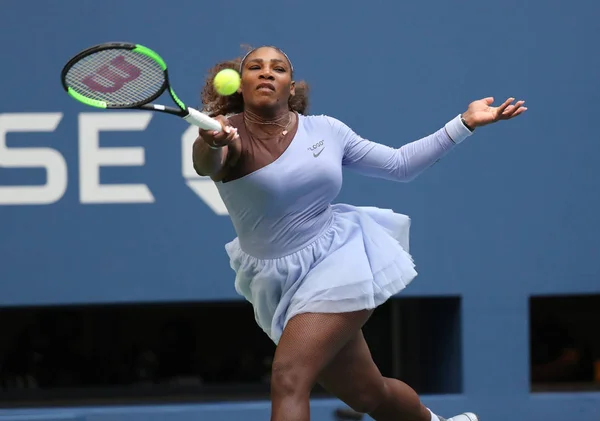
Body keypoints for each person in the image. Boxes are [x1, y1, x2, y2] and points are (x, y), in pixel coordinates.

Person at [192, 45, 526, 421]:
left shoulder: (327, 130)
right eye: (255, 67)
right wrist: (210, 141)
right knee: (367, 394)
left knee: (289, 377)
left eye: (278, 68)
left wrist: (463, 123)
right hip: (275, 279)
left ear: (291, 87)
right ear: (240, 84)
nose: (267, 73)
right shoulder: (227, 135)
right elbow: (208, 164)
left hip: (339, 259)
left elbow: (400, 165)